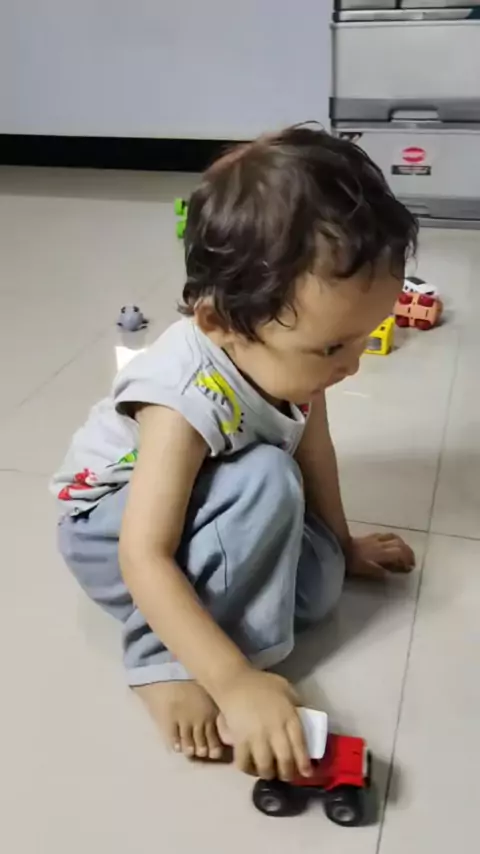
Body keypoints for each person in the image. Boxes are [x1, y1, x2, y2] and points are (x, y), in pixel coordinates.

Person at [52, 126, 417, 784]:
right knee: (268, 479)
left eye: (364, 339)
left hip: (210, 501)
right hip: (110, 530)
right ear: (220, 323)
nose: (352, 366)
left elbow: (316, 449)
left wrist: (344, 543)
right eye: (333, 348)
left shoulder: (297, 367)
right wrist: (234, 681)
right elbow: (143, 553)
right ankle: (160, 658)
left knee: (320, 583)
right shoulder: (180, 396)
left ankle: (218, 615)